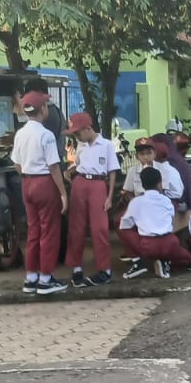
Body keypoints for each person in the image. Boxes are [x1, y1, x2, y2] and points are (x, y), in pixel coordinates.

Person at [11, 87, 69, 295]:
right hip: (45, 183)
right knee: (49, 231)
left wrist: (27, 176)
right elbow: (53, 166)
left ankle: (31, 277)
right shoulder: (46, 135)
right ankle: (45, 278)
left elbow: (16, 163)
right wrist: (63, 193)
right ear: (42, 109)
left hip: (27, 183)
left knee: (33, 231)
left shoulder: (20, 134)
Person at [64, 112, 119, 289]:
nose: (77, 136)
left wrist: (109, 196)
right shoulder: (81, 145)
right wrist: (71, 171)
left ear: (88, 128)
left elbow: (112, 171)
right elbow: (79, 163)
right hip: (80, 182)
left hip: (98, 184)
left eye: (78, 132)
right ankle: (76, 268)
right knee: (76, 227)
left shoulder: (107, 145)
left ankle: (105, 270)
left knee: (99, 228)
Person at [119, 166, 191, 279]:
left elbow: (126, 224)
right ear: (160, 183)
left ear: (142, 185)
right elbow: (170, 218)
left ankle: (138, 262)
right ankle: (166, 262)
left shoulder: (135, 202)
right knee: (189, 260)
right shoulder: (166, 200)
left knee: (124, 229)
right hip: (170, 243)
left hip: (149, 246)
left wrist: (142, 222)